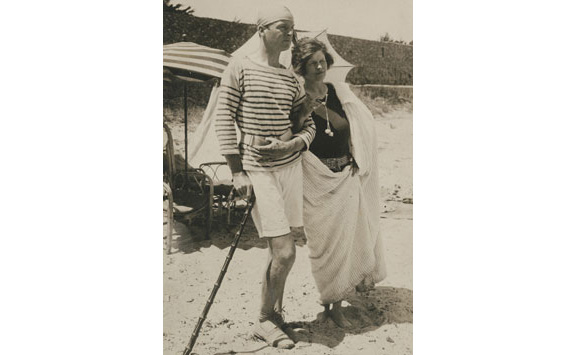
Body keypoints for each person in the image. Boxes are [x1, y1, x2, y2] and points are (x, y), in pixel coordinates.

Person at [214, 5, 316, 349]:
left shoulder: (290, 78)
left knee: (279, 251)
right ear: (262, 30)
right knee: (286, 253)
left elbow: (308, 124)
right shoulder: (239, 67)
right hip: (258, 170)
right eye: (283, 28)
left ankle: (273, 315)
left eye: (292, 29)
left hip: (290, 168)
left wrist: (293, 141)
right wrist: (237, 170)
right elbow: (224, 118)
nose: (290, 35)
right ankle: (263, 319)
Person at [291, 38, 387, 328]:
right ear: (302, 67)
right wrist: (302, 111)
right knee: (324, 247)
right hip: (316, 183)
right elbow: (293, 135)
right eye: (313, 63)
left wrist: (359, 156)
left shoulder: (339, 92)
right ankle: (329, 298)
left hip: (346, 177)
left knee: (346, 243)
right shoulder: (295, 96)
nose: (320, 67)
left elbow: (361, 123)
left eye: (322, 61)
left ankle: (335, 304)